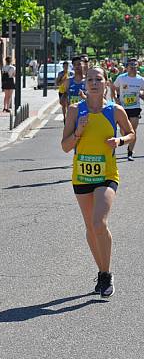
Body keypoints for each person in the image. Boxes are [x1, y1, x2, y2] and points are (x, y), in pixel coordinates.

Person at [61, 67, 135, 298]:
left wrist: (120, 140)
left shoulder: (115, 110)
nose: (93, 83)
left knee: (99, 222)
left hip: (107, 174)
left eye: (98, 79)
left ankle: (106, 273)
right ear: (85, 85)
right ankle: (102, 272)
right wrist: (79, 132)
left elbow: (131, 133)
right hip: (82, 175)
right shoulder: (75, 111)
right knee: (90, 228)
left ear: (106, 83)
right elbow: (65, 146)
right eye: (90, 79)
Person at [112, 58, 144, 160]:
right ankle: (126, 139)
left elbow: (143, 91)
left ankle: (130, 153)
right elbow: (113, 87)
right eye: (131, 66)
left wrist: (141, 94)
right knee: (124, 131)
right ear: (127, 67)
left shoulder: (141, 79)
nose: (133, 68)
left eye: (135, 65)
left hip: (135, 107)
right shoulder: (121, 78)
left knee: (133, 131)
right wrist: (116, 99)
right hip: (123, 108)